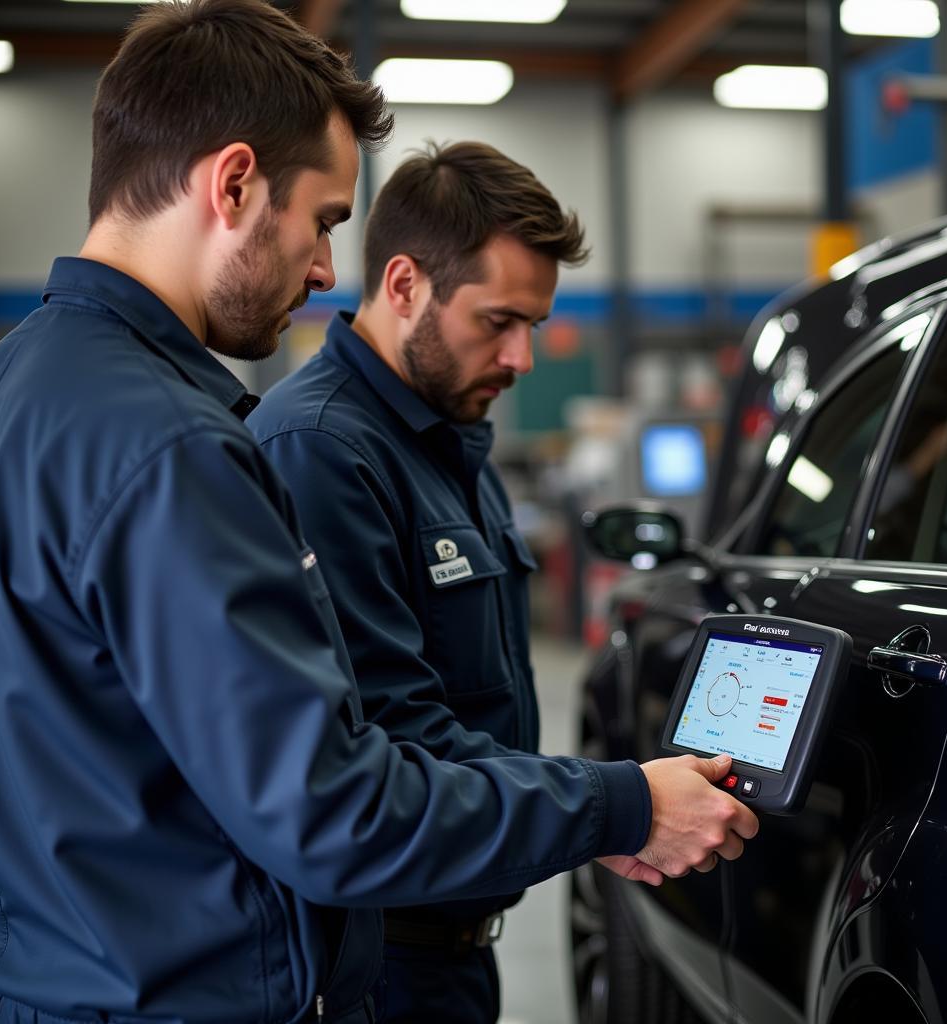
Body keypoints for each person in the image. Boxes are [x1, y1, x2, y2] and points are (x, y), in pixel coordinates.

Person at [0, 3, 758, 1022]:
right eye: (322, 222)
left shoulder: (20, 387)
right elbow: (332, 806)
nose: (321, 270)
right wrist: (622, 801)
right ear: (232, 184)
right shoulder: (177, 447)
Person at [245, 142, 677, 1021]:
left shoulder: (450, 439)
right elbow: (394, 743)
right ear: (404, 285)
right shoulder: (323, 452)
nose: (522, 359)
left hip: (455, 947)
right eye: (499, 321)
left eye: (535, 327)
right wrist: (615, 806)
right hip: (372, 965)